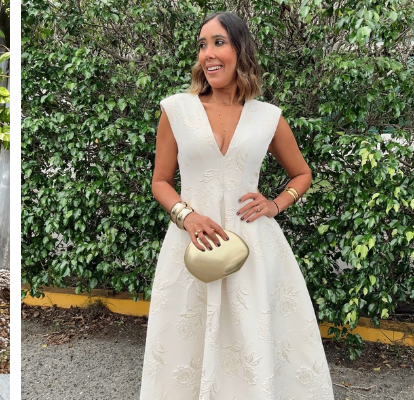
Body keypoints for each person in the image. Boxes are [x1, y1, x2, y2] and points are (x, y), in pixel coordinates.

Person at [139, 11, 334, 399]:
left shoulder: (267, 117)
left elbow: (302, 174)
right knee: (184, 344)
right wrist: (186, 216)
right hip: (193, 245)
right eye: (202, 45)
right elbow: (160, 181)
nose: (208, 54)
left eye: (218, 42)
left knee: (251, 341)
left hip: (254, 248)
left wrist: (275, 205)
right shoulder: (176, 110)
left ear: (240, 50)